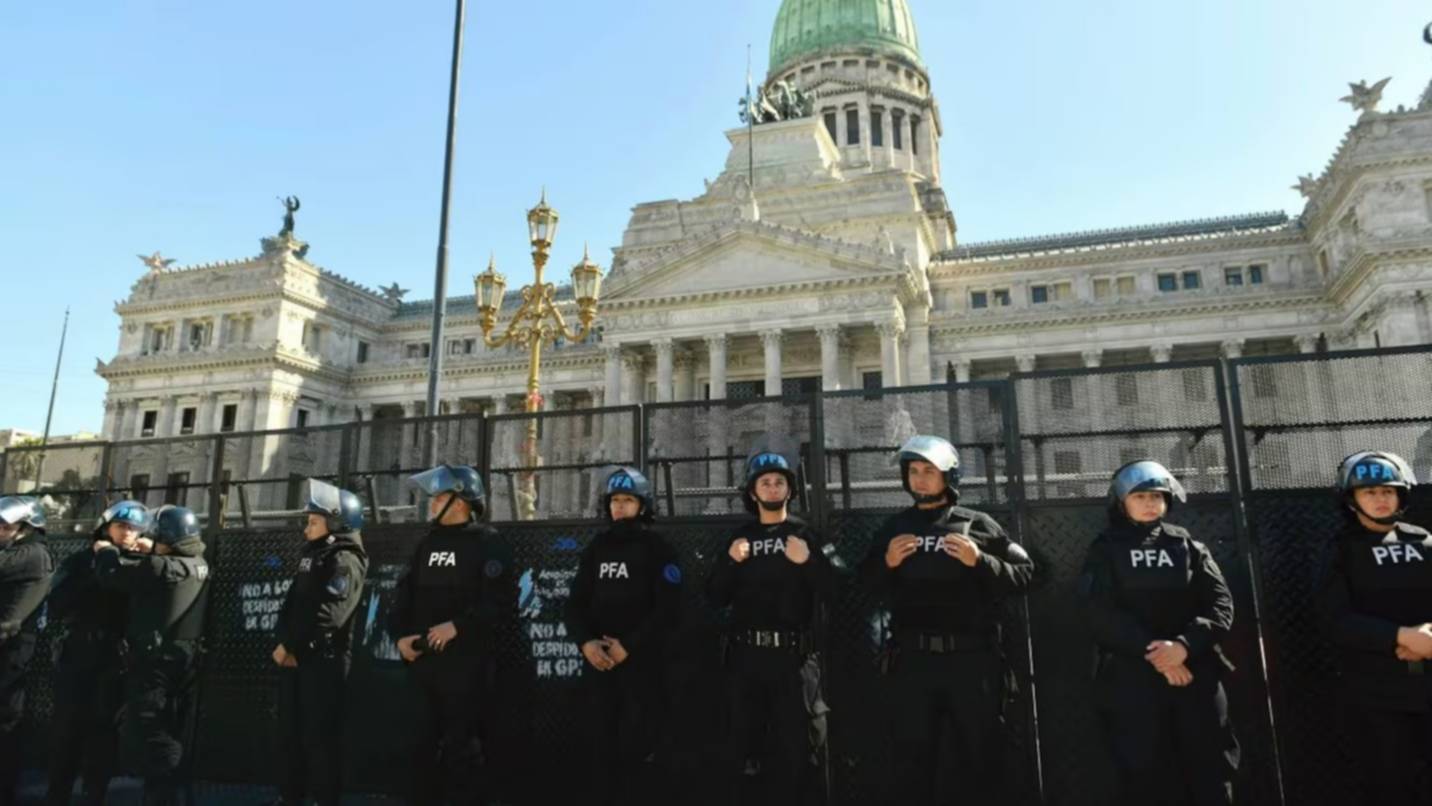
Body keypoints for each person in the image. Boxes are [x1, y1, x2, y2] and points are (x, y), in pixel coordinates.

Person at [858, 435, 1033, 806]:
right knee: (912, 761)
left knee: (983, 756)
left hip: (973, 664)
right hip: (913, 663)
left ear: (949, 476)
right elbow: (863, 584)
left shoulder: (978, 524)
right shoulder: (895, 528)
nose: (919, 479)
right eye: (913, 472)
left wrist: (981, 561)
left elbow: (1027, 575)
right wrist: (886, 563)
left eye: (929, 471)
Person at [1079, 459, 1239, 806]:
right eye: (1140, 497)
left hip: (1194, 673)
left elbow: (1220, 605)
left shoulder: (1188, 547)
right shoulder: (1104, 550)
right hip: (1133, 679)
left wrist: (1183, 646)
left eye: (1156, 496)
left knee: (1211, 768)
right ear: (1122, 503)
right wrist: (1161, 656)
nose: (1150, 503)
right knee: (1145, 774)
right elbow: (1099, 613)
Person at [707, 435, 836, 806]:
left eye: (780, 481)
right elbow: (715, 596)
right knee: (743, 750)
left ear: (790, 489)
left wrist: (808, 562)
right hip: (746, 660)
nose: (773, 486)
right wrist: (732, 562)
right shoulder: (739, 537)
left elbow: (836, 589)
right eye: (765, 481)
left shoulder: (807, 535)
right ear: (752, 490)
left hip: (794, 661)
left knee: (802, 751)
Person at [391, 464, 513, 805]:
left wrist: (458, 626)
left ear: (460, 502)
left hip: (466, 666)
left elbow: (499, 602)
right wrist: (400, 636)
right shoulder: (425, 544)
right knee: (418, 745)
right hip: (423, 664)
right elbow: (403, 596)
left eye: (440, 496)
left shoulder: (488, 543)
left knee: (463, 749)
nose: (432, 503)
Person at [1316, 450, 1432, 806]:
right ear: (1352, 499)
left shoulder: (1425, 541)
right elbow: (1334, 619)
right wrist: (1402, 637)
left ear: (1401, 494)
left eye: (1387, 491)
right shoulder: (1339, 551)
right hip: (1374, 690)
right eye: (1369, 492)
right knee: (1388, 781)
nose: (1380, 499)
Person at [564, 466, 681, 805]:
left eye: (627, 500)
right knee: (599, 747)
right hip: (599, 665)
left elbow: (668, 609)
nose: (619, 507)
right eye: (614, 500)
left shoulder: (658, 548)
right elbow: (575, 605)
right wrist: (585, 643)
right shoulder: (597, 548)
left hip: (642, 667)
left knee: (640, 748)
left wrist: (629, 647)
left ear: (642, 505)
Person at [94, 504, 209, 806]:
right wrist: (156, 549)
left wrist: (105, 550)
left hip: (154, 664)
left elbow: (112, 575)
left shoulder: (159, 567)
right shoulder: (198, 563)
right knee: (168, 726)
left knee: (149, 730)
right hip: (183, 660)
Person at [269, 479, 369, 806]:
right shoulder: (312, 555)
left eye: (313, 522)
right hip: (296, 659)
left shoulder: (346, 558)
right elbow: (292, 604)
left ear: (337, 522)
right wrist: (284, 643)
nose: (306, 529)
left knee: (319, 740)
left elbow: (330, 614)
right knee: (289, 736)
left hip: (322, 663)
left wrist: (295, 648)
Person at [45, 500, 148, 806]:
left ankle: (95, 794)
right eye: (122, 526)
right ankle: (57, 794)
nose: (128, 533)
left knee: (103, 733)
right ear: (106, 528)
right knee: (67, 731)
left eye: (134, 528)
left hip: (115, 657)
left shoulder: (140, 563)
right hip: (78, 652)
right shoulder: (81, 561)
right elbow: (58, 602)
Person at [0, 496, 54, 806]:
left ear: (24, 528)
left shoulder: (33, 554)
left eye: (4, 526)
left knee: (5, 722)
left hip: (13, 649)